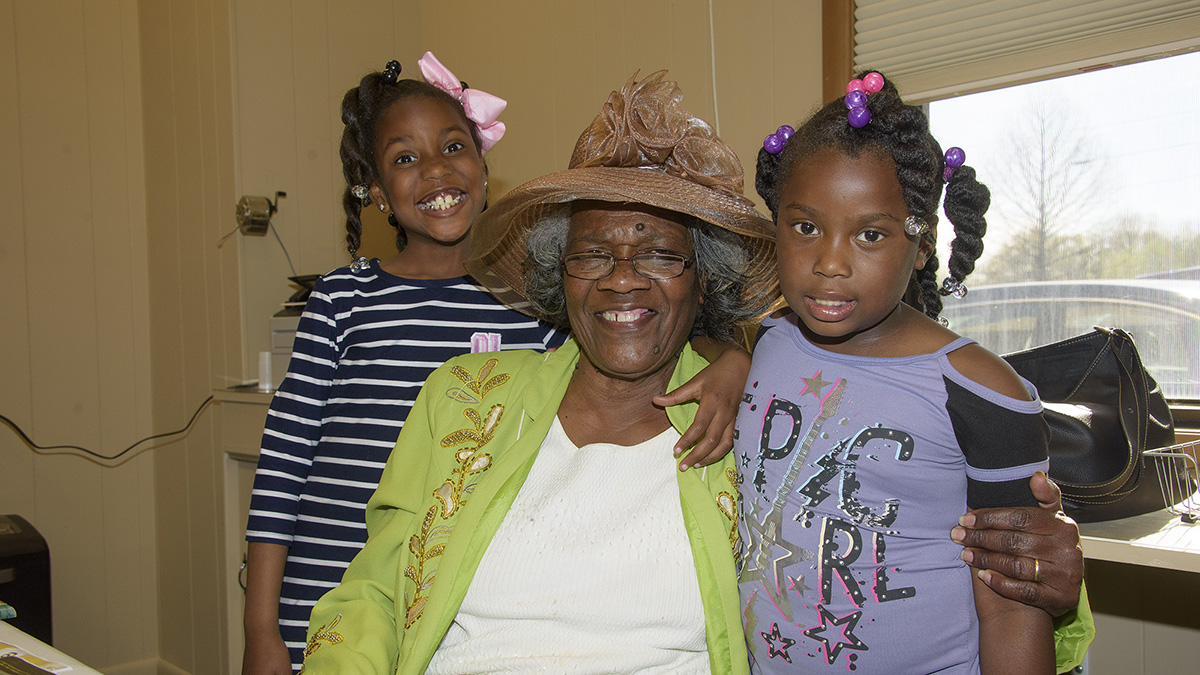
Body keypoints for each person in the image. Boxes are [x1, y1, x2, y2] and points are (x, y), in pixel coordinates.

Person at [242, 56, 751, 675]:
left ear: (705, 280)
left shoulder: (751, 424)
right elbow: (301, 482)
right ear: (558, 275)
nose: (621, 279)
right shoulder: (456, 388)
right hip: (329, 577)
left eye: (659, 255)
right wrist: (262, 625)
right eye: (591, 255)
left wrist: (741, 359)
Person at [737, 71, 1091, 673]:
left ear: (921, 244)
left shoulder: (982, 388)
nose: (829, 262)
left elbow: (1013, 603)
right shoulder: (764, 343)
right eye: (805, 227)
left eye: (870, 234)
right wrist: (726, 365)